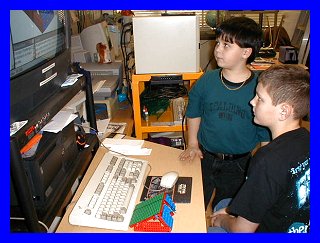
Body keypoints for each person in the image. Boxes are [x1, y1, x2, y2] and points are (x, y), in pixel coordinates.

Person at [179, 16, 270, 209]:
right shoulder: (207, 80)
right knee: (193, 205)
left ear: (246, 52)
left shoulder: (260, 89)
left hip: (238, 163)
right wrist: (193, 143)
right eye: (218, 43)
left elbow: (265, 132)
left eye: (227, 45)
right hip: (204, 156)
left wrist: (262, 166)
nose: (218, 49)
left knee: (226, 210)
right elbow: (194, 111)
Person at [210, 64, 310, 233]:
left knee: (212, 224)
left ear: (283, 111)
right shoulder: (307, 138)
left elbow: (242, 230)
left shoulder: (266, 160)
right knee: (225, 205)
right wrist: (230, 211)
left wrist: (222, 220)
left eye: (260, 98)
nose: (252, 102)